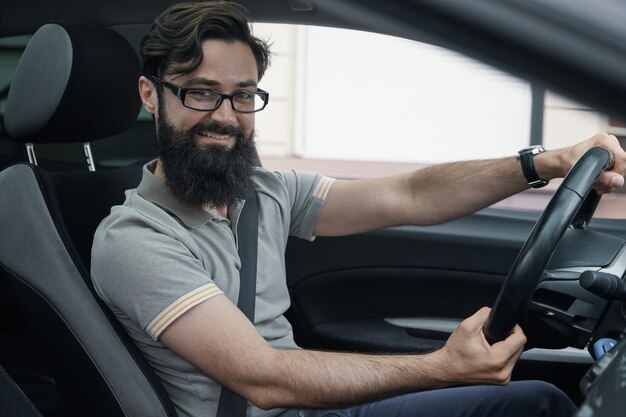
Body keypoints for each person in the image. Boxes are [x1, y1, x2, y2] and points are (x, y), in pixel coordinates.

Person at [91, 2, 626, 417]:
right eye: (201, 94)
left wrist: (547, 162)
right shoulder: (135, 239)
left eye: (244, 96)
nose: (226, 117)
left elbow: (412, 195)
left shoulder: (263, 191)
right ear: (150, 93)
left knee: (538, 402)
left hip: (317, 407)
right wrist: (442, 368)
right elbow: (264, 377)